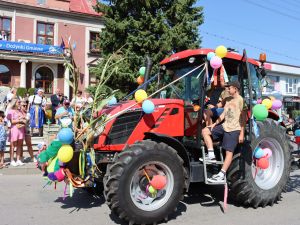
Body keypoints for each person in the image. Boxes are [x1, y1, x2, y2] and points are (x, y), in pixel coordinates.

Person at [201, 81, 246, 183]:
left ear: (235, 89)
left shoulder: (241, 100)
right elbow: (223, 115)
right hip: (224, 126)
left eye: (229, 88)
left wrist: (242, 133)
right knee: (205, 131)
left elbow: (243, 117)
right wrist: (214, 124)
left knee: (228, 152)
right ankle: (211, 155)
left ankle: (221, 174)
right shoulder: (228, 99)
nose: (227, 89)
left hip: (234, 129)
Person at [6, 99, 26, 166]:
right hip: (14, 129)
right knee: (13, 145)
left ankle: (18, 159)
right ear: (14, 103)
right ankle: (12, 160)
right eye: (19, 102)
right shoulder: (11, 111)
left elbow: (24, 118)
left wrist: (24, 118)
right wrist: (20, 120)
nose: (20, 103)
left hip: (21, 129)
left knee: (19, 145)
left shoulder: (20, 111)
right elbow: (12, 122)